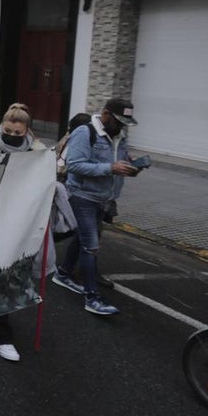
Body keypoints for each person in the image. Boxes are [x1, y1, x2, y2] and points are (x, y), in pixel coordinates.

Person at [52, 98, 140, 316]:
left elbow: (120, 158)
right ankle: (92, 297)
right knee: (90, 245)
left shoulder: (119, 135)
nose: (121, 126)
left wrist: (131, 164)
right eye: (118, 121)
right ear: (106, 114)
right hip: (82, 196)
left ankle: (62, 273)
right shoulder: (85, 132)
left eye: (125, 123)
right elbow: (75, 165)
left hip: (104, 198)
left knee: (83, 238)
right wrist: (110, 167)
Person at [0, 105, 48, 360]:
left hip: (21, 220)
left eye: (17, 132)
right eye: (7, 130)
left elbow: (48, 180)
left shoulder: (38, 151)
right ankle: (1, 335)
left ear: (26, 130)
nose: (12, 135)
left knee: (8, 275)